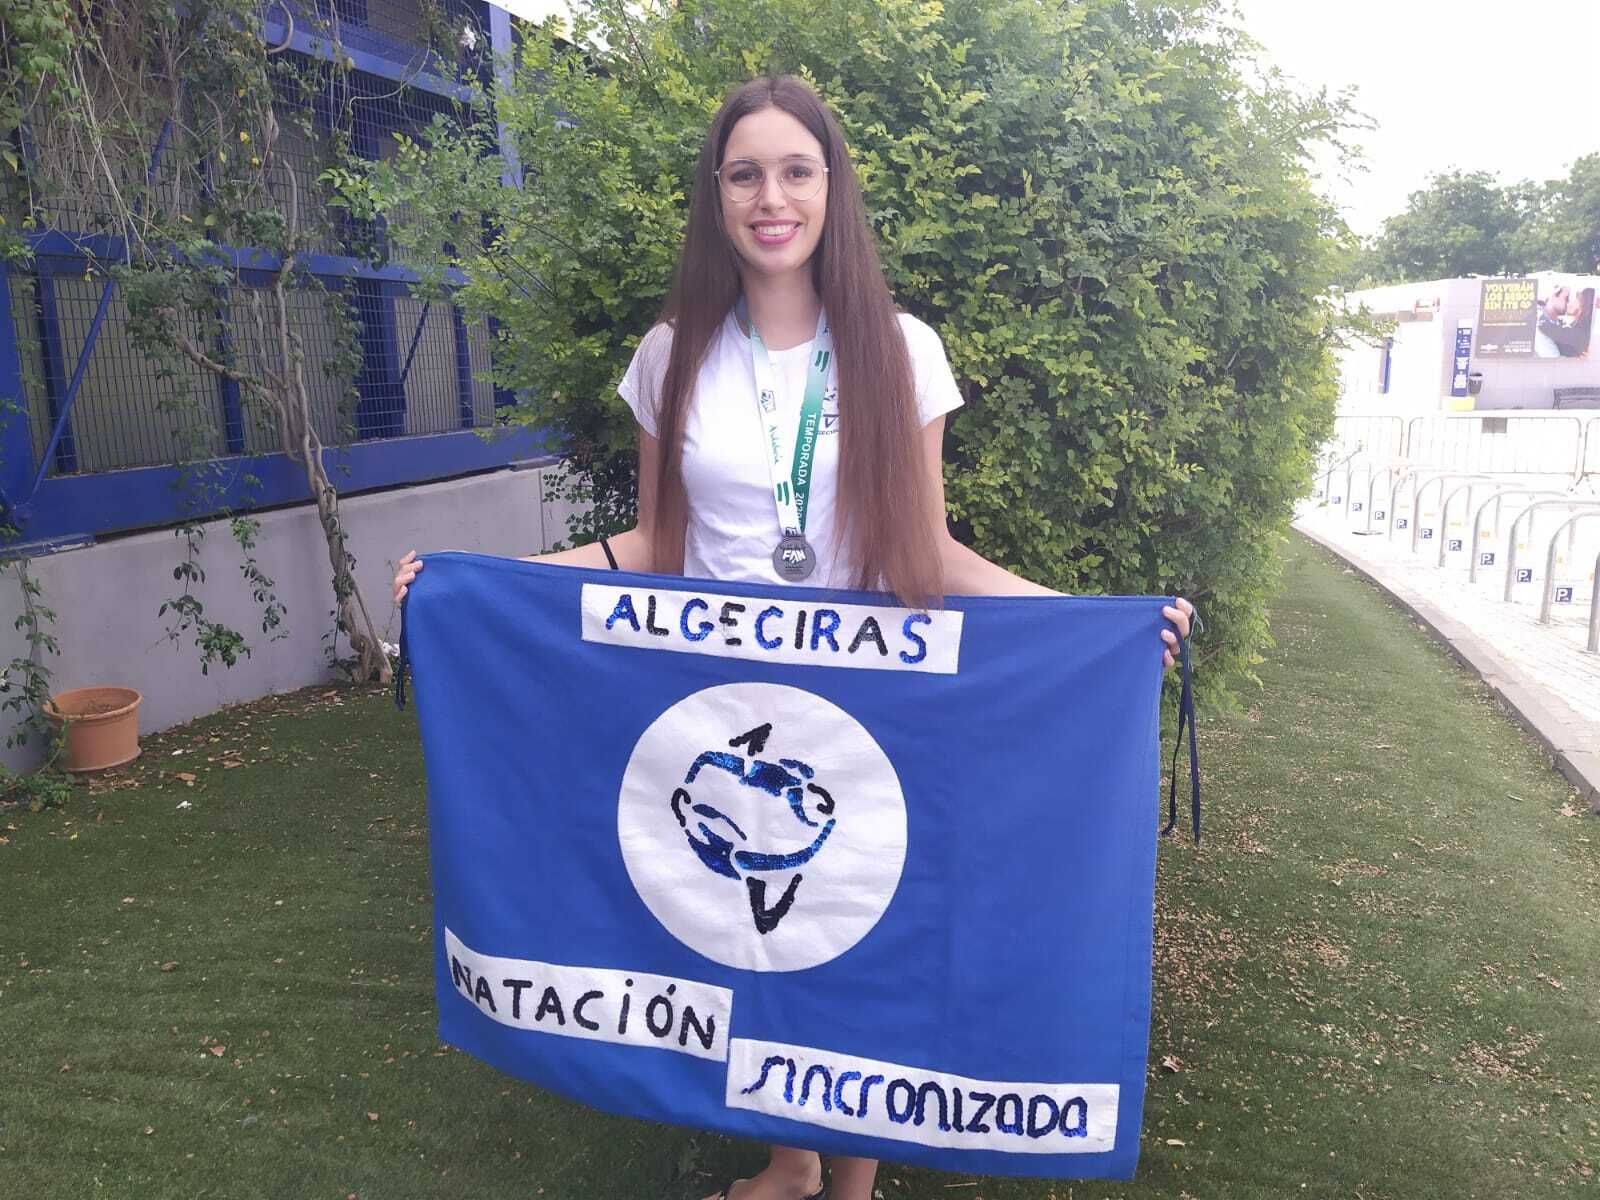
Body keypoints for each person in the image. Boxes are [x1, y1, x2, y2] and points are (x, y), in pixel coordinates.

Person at [393, 74, 1194, 1200]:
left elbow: (925, 555)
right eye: (745, 174)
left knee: (852, 933)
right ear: (718, 196)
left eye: (794, 171)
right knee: (747, 935)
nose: (771, 196)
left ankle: (847, 1187)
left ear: (831, 189)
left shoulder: (899, 350)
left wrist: (1092, 627)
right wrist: (480, 586)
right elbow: (657, 540)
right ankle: (787, 1165)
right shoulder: (673, 355)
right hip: (720, 692)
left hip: (870, 692)